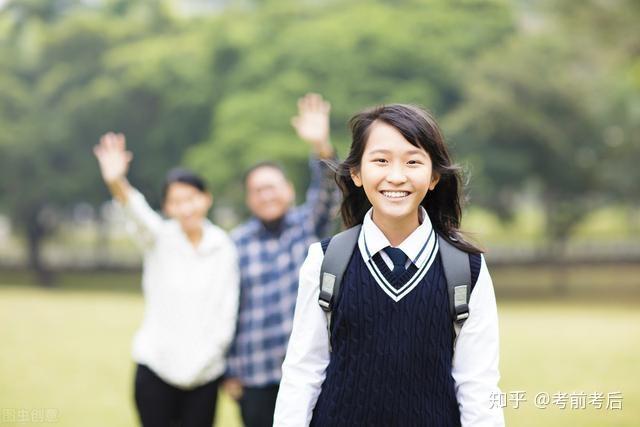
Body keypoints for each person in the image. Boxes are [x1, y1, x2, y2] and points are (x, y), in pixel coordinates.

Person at [273, 104, 504, 426]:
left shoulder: (468, 268)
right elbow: (302, 373)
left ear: (434, 175)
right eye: (380, 160)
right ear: (356, 172)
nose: (396, 176)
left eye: (413, 162)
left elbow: (478, 385)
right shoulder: (325, 261)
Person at [93, 132, 239, 427]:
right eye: (176, 202)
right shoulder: (159, 238)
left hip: (205, 374)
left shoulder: (223, 246)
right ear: (168, 207)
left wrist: (211, 359)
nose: (186, 208)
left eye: (191, 198)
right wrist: (116, 182)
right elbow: (137, 212)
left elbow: (227, 310)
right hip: (156, 367)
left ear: (206, 198)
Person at [223, 93, 340, 427]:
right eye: (257, 190)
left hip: (310, 370)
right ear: (249, 199)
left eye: (272, 187)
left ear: (288, 190)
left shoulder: (308, 225)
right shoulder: (237, 244)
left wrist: (321, 146)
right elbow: (229, 308)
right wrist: (229, 371)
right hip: (255, 374)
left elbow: (329, 189)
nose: (266, 195)